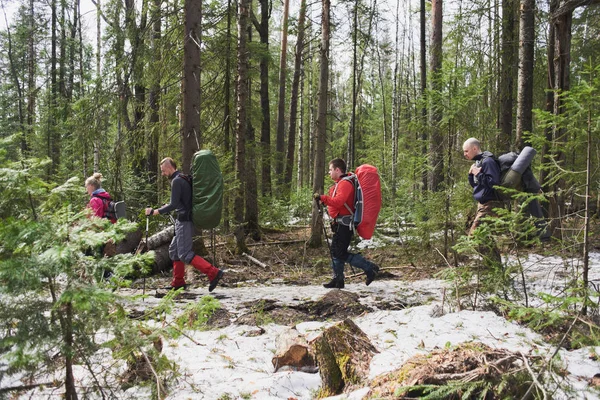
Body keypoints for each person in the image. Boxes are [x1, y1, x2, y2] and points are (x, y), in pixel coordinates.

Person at [146, 157, 224, 292]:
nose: (163, 174)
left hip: (184, 221)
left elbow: (174, 204)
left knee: (184, 254)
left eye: (163, 171)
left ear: (169, 167)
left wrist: (155, 211)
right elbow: (181, 201)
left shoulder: (176, 181)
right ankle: (178, 282)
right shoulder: (184, 178)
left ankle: (213, 272)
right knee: (174, 250)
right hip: (183, 220)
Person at [314, 158, 379, 289]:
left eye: (330, 170)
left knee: (340, 253)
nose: (329, 172)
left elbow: (338, 201)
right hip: (341, 224)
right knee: (336, 251)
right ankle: (338, 280)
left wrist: (323, 198)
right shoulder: (341, 183)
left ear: (338, 170)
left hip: (345, 225)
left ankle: (370, 268)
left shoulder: (345, 184)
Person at [462, 138, 503, 264]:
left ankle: (495, 266)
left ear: (475, 148)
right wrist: (471, 175)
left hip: (490, 204)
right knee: (485, 237)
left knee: (475, 237)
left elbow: (494, 183)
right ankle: (495, 268)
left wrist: (478, 174)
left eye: (466, 151)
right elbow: (477, 186)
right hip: (483, 204)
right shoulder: (478, 163)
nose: (465, 154)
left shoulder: (488, 161)